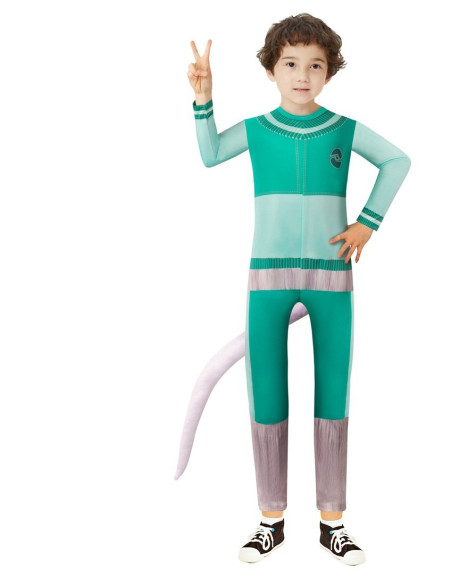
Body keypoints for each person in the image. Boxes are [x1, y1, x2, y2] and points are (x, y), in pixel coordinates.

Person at [186, 13, 411, 565]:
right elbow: (211, 154)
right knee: (267, 392)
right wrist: (204, 99)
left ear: (330, 72)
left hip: (332, 276)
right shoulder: (258, 129)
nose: (303, 75)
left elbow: (397, 160)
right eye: (291, 64)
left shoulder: (344, 128)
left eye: (315, 65)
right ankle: (271, 520)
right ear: (271, 70)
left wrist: (367, 223)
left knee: (333, 393)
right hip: (267, 275)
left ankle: (333, 522)